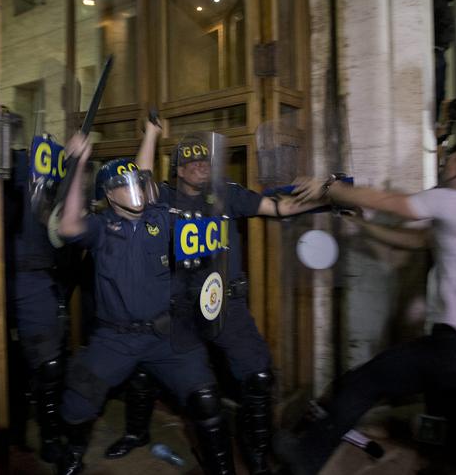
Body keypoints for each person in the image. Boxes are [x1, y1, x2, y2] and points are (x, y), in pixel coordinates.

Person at [280, 140, 456, 474]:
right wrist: (361, 225)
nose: (442, 168)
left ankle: (305, 459)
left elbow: (394, 203)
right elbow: (417, 241)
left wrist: (328, 187)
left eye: (450, 164)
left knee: (363, 382)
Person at [103, 122, 319, 475]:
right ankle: (136, 432)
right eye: (191, 162)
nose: (200, 166)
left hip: (224, 302)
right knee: (144, 371)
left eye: (205, 161)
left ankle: (257, 452)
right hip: (177, 306)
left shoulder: (226, 195)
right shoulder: (164, 199)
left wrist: (330, 193)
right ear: (177, 168)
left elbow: (278, 208)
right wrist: (152, 135)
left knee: (259, 375)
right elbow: (138, 184)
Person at [57, 136, 235, 475]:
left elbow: (148, 173)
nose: (134, 188)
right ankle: (72, 457)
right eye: (123, 185)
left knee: (207, 400)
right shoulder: (101, 228)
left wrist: (151, 134)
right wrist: (78, 163)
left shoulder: (161, 219)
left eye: (138, 182)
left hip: (165, 333)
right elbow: (67, 226)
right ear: (108, 194)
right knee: (78, 400)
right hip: (115, 339)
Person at [4, 129, 73, 464]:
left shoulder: (40, 169)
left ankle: (49, 437)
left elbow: (59, 226)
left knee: (49, 365)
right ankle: (13, 432)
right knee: (9, 364)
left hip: (35, 280)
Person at [433, 0, 456, 122]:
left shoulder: (445, 1)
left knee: (440, 96)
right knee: (436, 96)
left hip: (440, 53)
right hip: (435, 53)